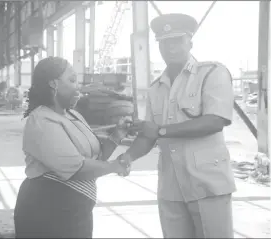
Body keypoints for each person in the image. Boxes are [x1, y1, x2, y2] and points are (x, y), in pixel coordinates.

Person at [123, 13, 236, 238]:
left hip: (207, 184)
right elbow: (148, 135)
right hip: (171, 188)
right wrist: (126, 158)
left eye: (177, 40)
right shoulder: (156, 89)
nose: (171, 48)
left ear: (190, 42)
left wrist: (161, 131)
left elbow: (216, 121)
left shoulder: (212, 73)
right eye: (165, 42)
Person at [13, 56, 152, 238]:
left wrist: (117, 135)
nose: (77, 86)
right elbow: (77, 169)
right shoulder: (41, 120)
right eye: (72, 80)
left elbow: (96, 158)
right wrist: (116, 166)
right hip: (47, 211)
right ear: (54, 84)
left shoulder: (73, 115)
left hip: (75, 210)